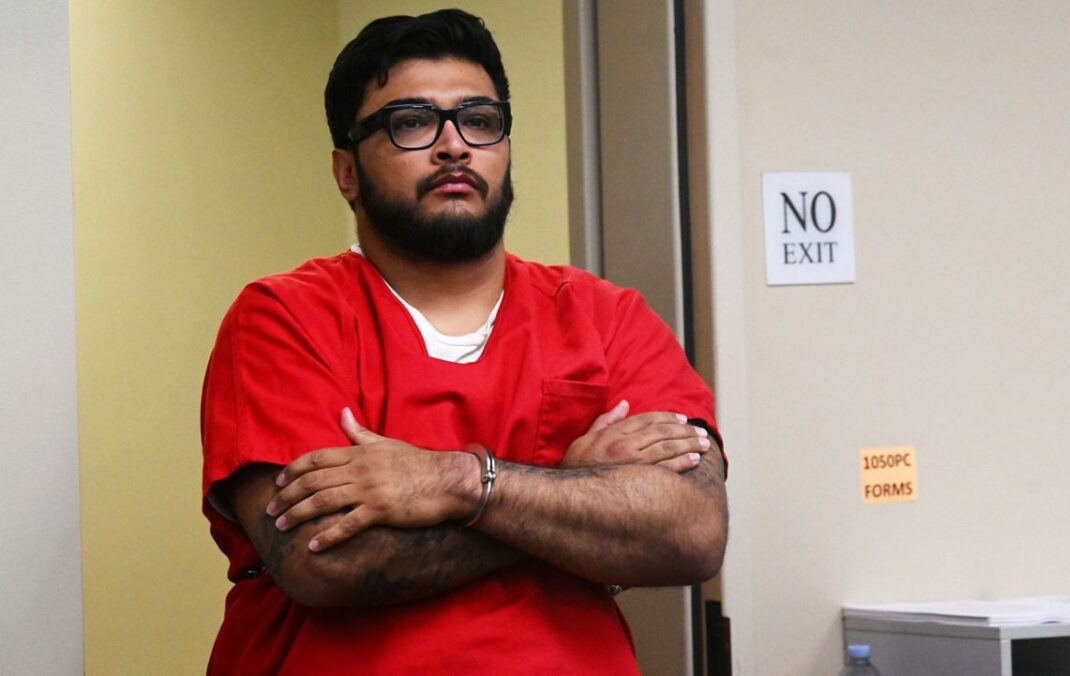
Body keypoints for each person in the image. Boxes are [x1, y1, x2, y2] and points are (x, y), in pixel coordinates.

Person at [201, 9, 727, 674]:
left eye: (479, 119)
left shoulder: (605, 317)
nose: (455, 145)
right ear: (347, 173)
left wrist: (457, 482)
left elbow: (691, 533)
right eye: (413, 122)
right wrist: (571, 487)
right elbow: (323, 558)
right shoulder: (283, 319)